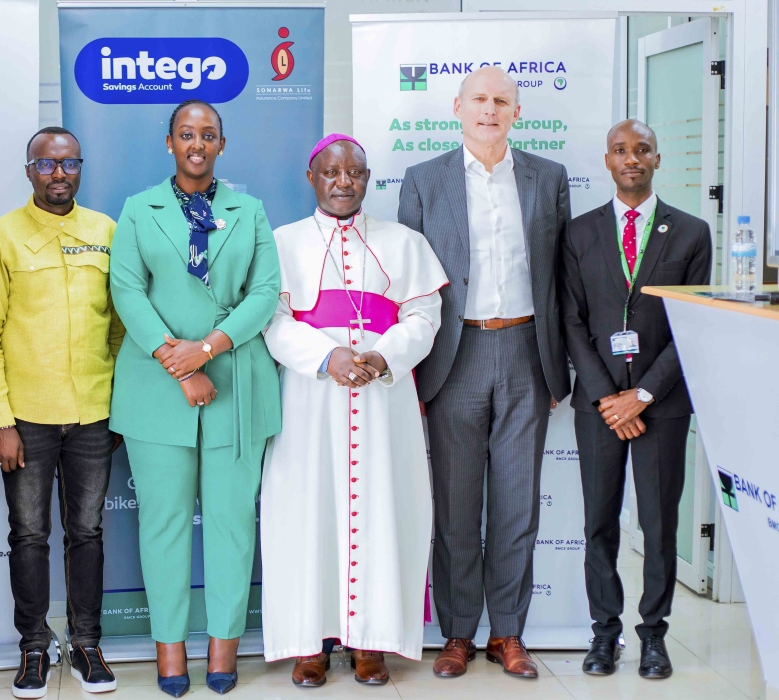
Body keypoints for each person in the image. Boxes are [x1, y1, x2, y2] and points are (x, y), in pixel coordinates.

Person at [397, 66, 572, 679]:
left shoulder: (547, 179)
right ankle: (457, 633)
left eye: (502, 101)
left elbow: (560, 279)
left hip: (528, 351)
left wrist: (560, 367)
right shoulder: (424, 181)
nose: (490, 110)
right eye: (479, 99)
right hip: (454, 355)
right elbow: (409, 284)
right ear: (458, 107)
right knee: (455, 505)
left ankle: (509, 633)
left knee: (517, 506)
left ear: (516, 112)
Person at [260, 134, 447, 686]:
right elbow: (271, 320)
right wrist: (327, 356)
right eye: (332, 173)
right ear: (312, 178)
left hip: (383, 398)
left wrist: (382, 355)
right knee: (306, 513)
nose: (344, 183)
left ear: (368, 179)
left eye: (355, 173)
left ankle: (372, 641)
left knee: (384, 509)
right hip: (309, 399)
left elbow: (425, 316)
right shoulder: (280, 242)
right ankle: (309, 643)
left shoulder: (405, 242)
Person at [109, 99, 282, 697]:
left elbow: (264, 294)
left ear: (222, 145)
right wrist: (178, 364)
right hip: (158, 389)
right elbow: (127, 292)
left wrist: (205, 351)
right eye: (187, 134)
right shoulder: (138, 210)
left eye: (208, 135)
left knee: (233, 525)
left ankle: (224, 647)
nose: (197, 144)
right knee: (163, 525)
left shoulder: (250, 211)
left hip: (239, 386)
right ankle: (169, 650)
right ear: (170, 143)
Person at [0, 126, 122, 698]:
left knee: (87, 531)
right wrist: (0, 421)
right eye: (46, 164)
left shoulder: (105, 231)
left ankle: (86, 642)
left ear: (80, 168)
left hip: (92, 414)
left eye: (69, 164)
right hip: (26, 418)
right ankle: (34, 645)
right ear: (28, 169)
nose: (59, 174)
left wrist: (111, 403)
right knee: (29, 534)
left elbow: (119, 325)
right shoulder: (0, 236)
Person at [561, 120, 711, 679]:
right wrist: (609, 399)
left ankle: (654, 636)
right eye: (621, 151)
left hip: (662, 406)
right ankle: (604, 635)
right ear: (606, 161)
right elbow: (571, 322)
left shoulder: (691, 233)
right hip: (599, 408)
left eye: (641, 149)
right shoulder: (578, 234)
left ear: (656, 158)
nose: (632, 159)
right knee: (599, 523)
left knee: (657, 523)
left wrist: (642, 396)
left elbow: (690, 327)